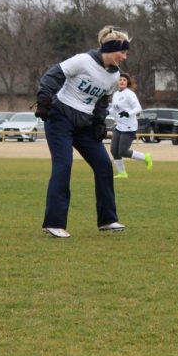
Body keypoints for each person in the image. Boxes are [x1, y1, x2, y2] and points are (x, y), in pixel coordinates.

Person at [35, 26, 130, 238]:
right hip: (60, 119)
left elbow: (102, 101)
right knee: (63, 165)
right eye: (122, 52)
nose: (124, 57)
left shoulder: (114, 77)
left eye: (126, 53)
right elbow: (52, 75)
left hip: (84, 124)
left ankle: (108, 220)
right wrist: (44, 99)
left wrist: (99, 123)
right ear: (110, 48)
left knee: (104, 166)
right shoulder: (83, 61)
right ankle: (53, 223)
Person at [109, 73, 152, 178]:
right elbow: (114, 109)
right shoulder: (115, 94)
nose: (122, 81)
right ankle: (122, 173)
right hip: (119, 126)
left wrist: (128, 114)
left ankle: (145, 157)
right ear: (117, 82)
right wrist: (106, 113)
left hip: (129, 127)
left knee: (123, 151)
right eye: (120, 80)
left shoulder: (129, 94)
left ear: (127, 82)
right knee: (114, 151)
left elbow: (138, 108)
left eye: (124, 80)